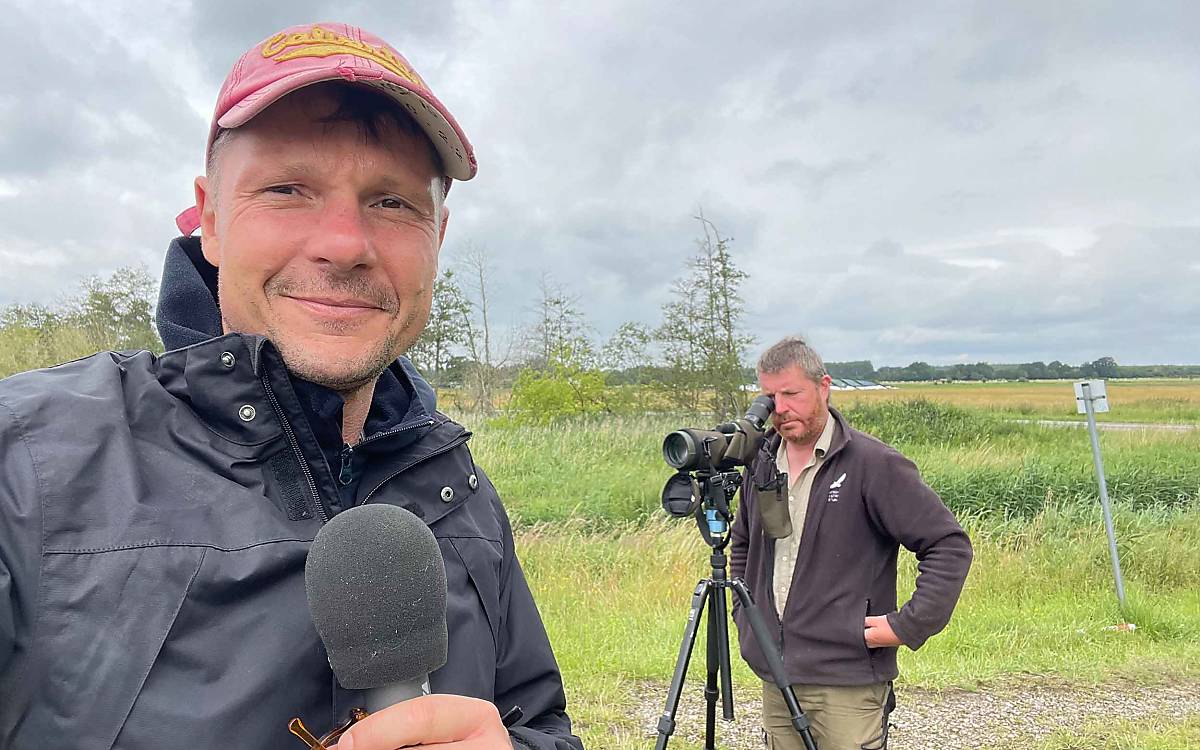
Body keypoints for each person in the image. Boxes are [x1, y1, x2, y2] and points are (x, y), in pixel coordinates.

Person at [0, 22, 581, 750]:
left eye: (393, 202)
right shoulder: (25, 463)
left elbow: (541, 723)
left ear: (439, 236)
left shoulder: (457, 488)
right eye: (286, 189)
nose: (344, 242)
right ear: (210, 218)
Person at [730, 336, 973, 750]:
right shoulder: (761, 462)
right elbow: (742, 544)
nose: (781, 409)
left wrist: (906, 626)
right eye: (770, 397)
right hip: (775, 674)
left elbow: (948, 545)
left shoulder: (873, 464)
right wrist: (747, 617)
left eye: (792, 394)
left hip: (847, 681)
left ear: (824, 386)